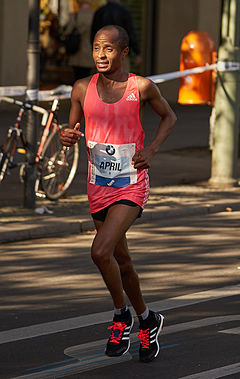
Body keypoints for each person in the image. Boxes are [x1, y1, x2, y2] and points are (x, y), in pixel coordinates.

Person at [60, 25, 176, 363]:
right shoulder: (82, 88)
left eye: (108, 48)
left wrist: (152, 150)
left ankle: (120, 314)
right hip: (98, 184)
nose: (100, 54)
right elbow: (73, 129)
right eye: (96, 48)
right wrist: (67, 137)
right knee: (121, 260)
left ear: (124, 53)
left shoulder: (141, 87)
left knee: (100, 252)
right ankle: (148, 319)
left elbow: (169, 117)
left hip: (131, 183)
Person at [90, 0, 142, 71]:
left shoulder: (100, 11)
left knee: (103, 78)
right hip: (120, 52)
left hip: (102, 52)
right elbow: (130, 33)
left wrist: (95, 51)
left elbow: (93, 35)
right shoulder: (124, 11)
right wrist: (137, 53)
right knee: (123, 78)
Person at [65, 0, 95, 82]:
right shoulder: (95, 16)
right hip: (89, 51)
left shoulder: (75, 15)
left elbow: (67, 32)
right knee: (88, 78)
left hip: (76, 52)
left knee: (77, 77)